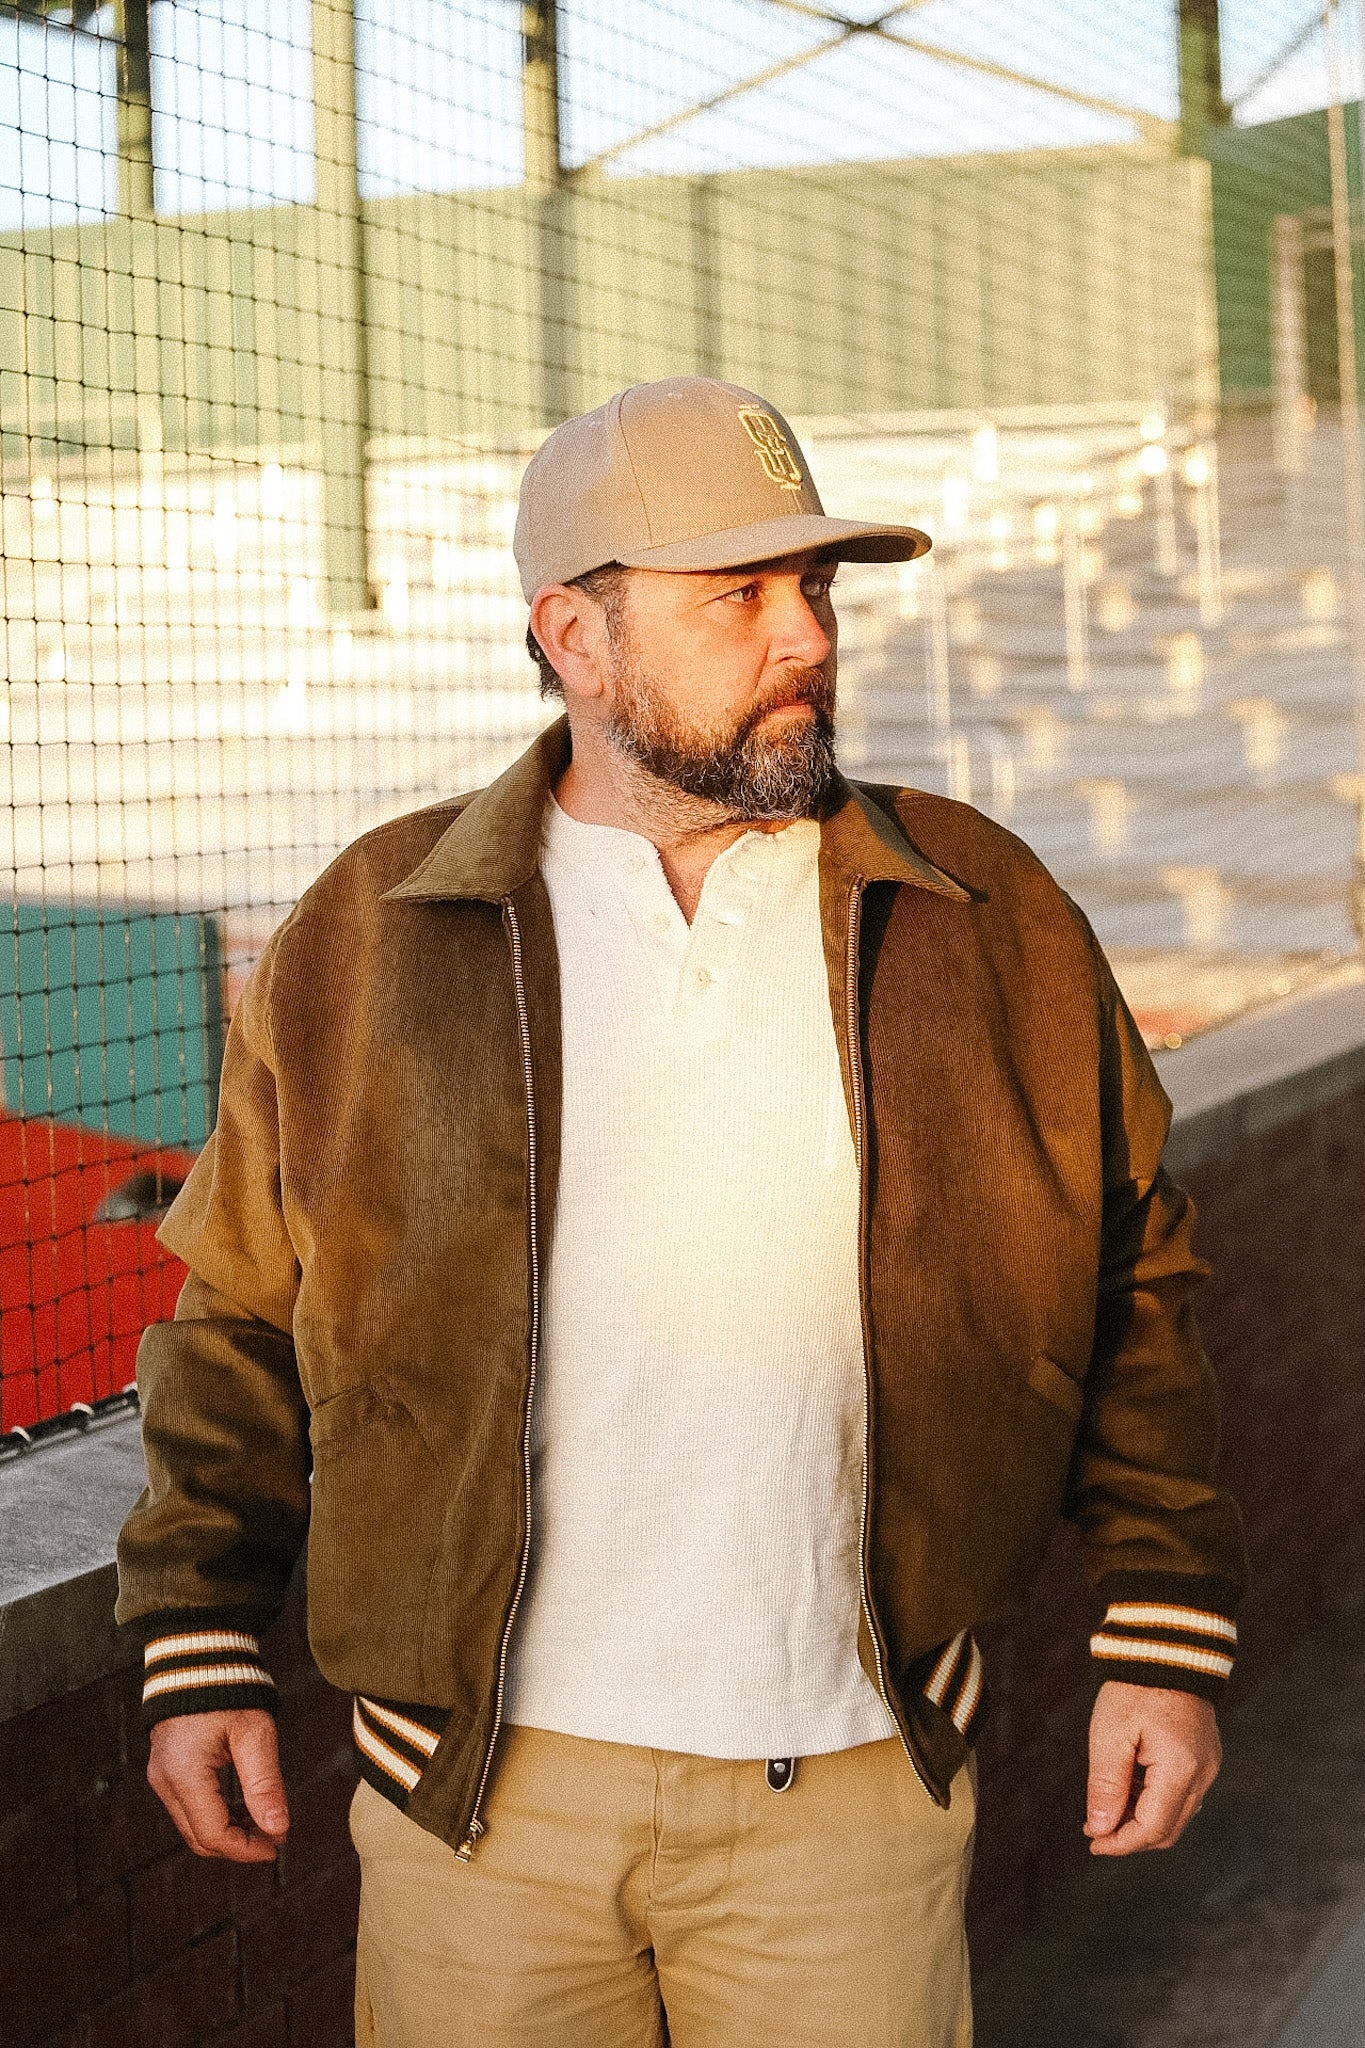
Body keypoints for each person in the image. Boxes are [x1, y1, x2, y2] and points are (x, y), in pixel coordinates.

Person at [117, 376, 1247, 2048]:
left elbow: (1127, 1279)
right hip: (476, 1798)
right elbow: (244, 1318)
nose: (802, 636)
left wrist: (1162, 1627)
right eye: (737, 595)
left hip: (854, 1786)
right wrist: (198, 1634)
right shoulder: (374, 933)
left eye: (816, 591)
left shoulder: (982, 912)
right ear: (574, 638)